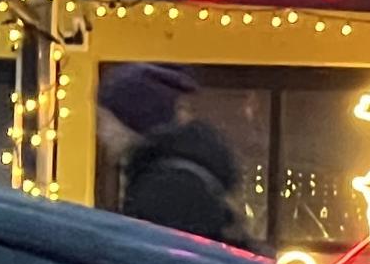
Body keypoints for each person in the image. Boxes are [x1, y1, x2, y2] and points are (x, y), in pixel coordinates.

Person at [95, 63, 252, 250]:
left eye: (105, 120)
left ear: (133, 120)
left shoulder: (166, 188)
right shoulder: (185, 173)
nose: (101, 132)